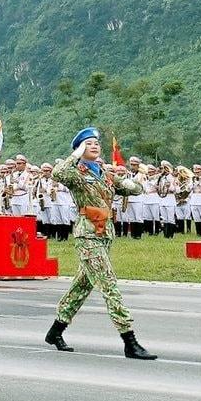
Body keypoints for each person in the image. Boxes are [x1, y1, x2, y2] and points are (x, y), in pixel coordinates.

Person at [45, 128, 156, 360]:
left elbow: (134, 189)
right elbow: (57, 173)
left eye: (96, 143)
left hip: (105, 232)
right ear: (79, 148)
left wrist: (138, 177)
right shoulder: (76, 172)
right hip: (88, 234)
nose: (94, 146)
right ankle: (129, 340)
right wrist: (76, 155)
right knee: (109, 284)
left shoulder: (104, 174)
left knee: (82, 286)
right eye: (88, 144)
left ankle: (56, 330)